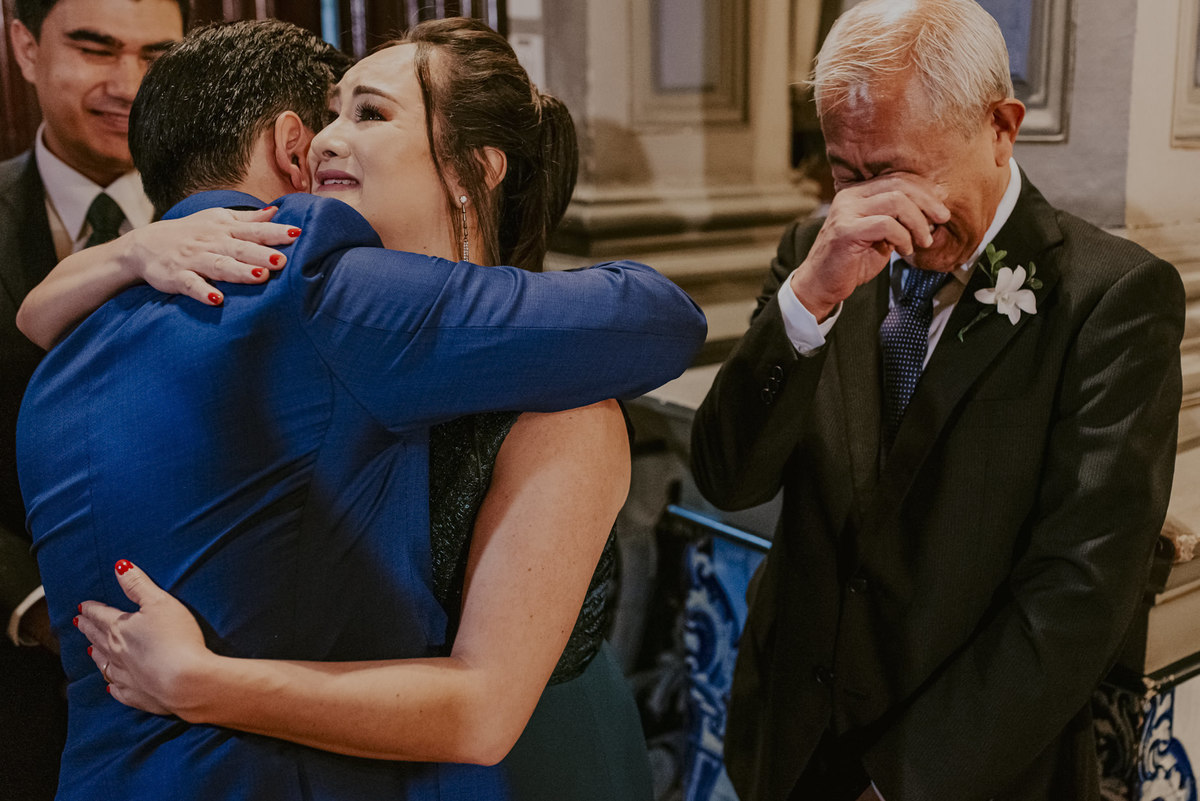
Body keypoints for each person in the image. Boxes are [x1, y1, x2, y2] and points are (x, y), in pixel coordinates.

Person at [16, 18, 704, 801]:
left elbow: (663, 316)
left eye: (367, 114)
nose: (323, 143)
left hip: (538, 756)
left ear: (470, 170)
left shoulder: (557, 405)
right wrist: (127, 251)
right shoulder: (299, 300)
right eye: (329, 114)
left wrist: (202, 679)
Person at [689, 1, 1185, 800]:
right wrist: (808, 297)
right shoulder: (815, 257)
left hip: (967, 771)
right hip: (789, 750)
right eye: (845, 173)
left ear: (1001, 126)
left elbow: (1076, 594)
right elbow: (728, 477)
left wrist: (904, 784)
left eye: (894, 170)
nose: (870, 207)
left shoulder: (1109, 299)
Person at [0, 0, 186, 797]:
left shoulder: (255, 214)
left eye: (157, 56)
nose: (129, 85)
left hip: (223, 679)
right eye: (95, 48)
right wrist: (38, 605)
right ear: (25, 46)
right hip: (19, 684)